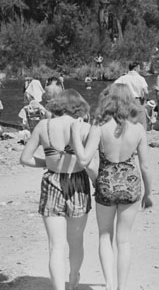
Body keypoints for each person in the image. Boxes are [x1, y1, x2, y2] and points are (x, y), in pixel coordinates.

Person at [71, 84, 153, 290]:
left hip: (105, 183)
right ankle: (122, 287)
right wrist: (148, 193)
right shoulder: (138, 129)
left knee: (104, 235)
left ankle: (108, 283)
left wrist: (75, 135)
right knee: (124, 240)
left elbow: (84, 159)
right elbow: (145, 166)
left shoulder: (99, 126)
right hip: (131, 184)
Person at [19, 89, 92, 290]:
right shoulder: (84, 127)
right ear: (79, 106)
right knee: (76, 241)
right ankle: (73, 278)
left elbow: (25, 158)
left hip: (52, 183)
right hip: (77, 182)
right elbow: (90, 162)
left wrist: (48, 164)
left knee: (55, 246)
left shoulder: (44, 125)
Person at [114, 61, 149, 128]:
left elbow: (114, 86)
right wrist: (145, 99)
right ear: (136, 68)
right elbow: (146, 92)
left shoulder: (123, 78)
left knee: (129, 122)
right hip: (138, 101)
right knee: (141, 123)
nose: (139, 70)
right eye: (139, 68)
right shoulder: (141, 78)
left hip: (127, 101)